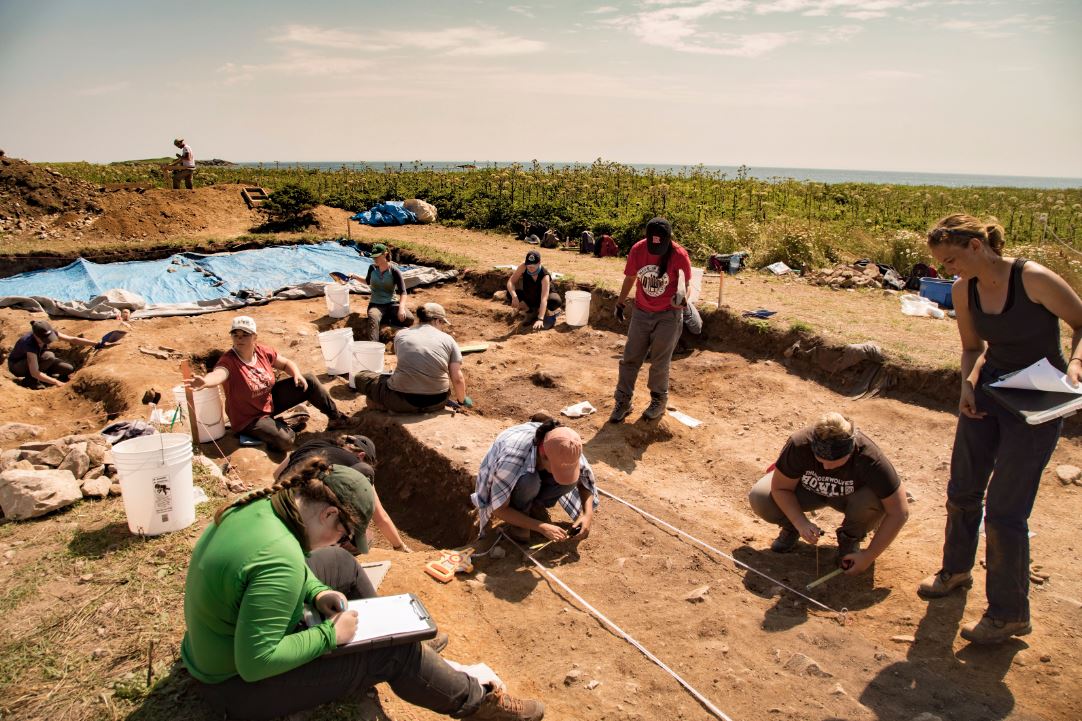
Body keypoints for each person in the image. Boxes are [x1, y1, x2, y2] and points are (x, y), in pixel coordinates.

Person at [182, 458, 544, 721]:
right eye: (343, 535)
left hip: (217, 648)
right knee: (395, 656)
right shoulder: (281, 561)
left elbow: (278, 571)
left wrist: (316, 591)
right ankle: (477, 702)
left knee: (341, 565)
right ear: (328, 514)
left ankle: (391, 635)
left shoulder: (265, 506)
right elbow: (255, 663)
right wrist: (330, 636)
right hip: (237, 688)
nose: (340, 542)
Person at [917, 214, 1082, 644]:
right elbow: (973, 348)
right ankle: (955, 571)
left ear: (976, 246)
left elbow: (1081, 322)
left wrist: (1077, 363)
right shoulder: (963, 289)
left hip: (1039, 394)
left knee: (1006, 510)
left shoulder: (1034, 279)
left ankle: (1009, 614)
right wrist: (967, 385)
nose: (949, 270)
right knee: (963, 489)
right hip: (990, 390)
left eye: (951, 259)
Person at [748, 413, 910, 573]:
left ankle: (850, 539)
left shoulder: (869, 458)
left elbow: (899, 512)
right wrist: (799, 522)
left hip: (850, 499)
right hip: (808, 492)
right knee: (761, 497)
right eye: (820, 460)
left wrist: (869, 555)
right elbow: (780, 488)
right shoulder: (800, 444)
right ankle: (792, 528)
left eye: (834, 463)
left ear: (850, 452)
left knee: (875, 500)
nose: (825, 467)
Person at [187, 315, 351, 452]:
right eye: (235, 334)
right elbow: (219, 374)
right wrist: (205, 381)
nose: (239, 338)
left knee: (309, 380)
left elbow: (285, 363)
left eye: (245, 334)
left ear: (255, 337)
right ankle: (286, 424)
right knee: (286, 440)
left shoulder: (261, 351)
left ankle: (336, 418)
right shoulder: (228, 361)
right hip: (249, 419)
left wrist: (296, 374)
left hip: (268, 401)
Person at [609, 217, 692, 422]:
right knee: (630, 358)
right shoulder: (638, 250)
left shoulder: (679, 254)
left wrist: (682, 298)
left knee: (659, 361)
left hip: (668, 314)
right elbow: (630, 277)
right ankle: (623, 401)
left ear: (669, 239)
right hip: (641, 311)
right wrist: (620, 303)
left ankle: (658, 400)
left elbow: (686, 284)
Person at [274, 434, 412, 552]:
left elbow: (277, 473)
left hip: (279, 501)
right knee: (366, 538)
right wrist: (400, 546)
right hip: (307, 523)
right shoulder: (357, 466)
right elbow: (381, 518)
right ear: (362, 455)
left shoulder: (313, 444)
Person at [472, 419, 599, 543]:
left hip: (534, 463)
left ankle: (534, 506)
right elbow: (498, 508)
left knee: (570, 481)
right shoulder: (511, 460)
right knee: (529, 482)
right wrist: (541, 527)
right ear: (544, 456)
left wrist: (587, 515)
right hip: (515, 471)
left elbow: (585, 481)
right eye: (557, 469)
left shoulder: (568, 447)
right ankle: (519, 513)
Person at [353, 303, 469, 413]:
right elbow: (457, 378)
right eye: (442, 323)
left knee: (361, 377)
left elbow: (406, 361)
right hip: (438, 401)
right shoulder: (449, 340)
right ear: (437, 320)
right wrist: (461, 402)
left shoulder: (401, 334)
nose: (442, 327)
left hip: (402, 399)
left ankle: (385, 406)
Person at [8, 319, 104, 388]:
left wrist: (97, 343)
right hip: (18, 366)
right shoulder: (29, 343)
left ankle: (45, 376)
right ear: (36, 336)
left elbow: (72, 339)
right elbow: (34, 372)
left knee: (68, 368)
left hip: (39, 359)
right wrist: (56, 382)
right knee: (49, 356)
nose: (48, 340)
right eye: (45, 339)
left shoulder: (48, 332)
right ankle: (30, 380)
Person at [351, 243, 414, 342]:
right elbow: (367, 281)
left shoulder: (394, 271)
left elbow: (403, 292)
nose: (374, 259)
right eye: (373, 257)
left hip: (392, 304)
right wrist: (354, 276)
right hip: (376, 305)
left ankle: (386, 320)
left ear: (385, 254)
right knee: (373, 317)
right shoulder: (372, 268)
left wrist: (401, 308)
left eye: (377, 256)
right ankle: (374, 345)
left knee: (409, 318)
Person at [506, 251, 562, 330]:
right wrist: (514, 296)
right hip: (530, 294)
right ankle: (530, 312)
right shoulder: (523, 266)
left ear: (539, 263)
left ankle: (543, 312)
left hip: (543, 296)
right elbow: (511, 282)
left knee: (555, 300)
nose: (530, 268)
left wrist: (540, 319)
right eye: (529, 265)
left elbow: (544, 298)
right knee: (509, 293)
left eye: (533, 266)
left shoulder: (544, 275)